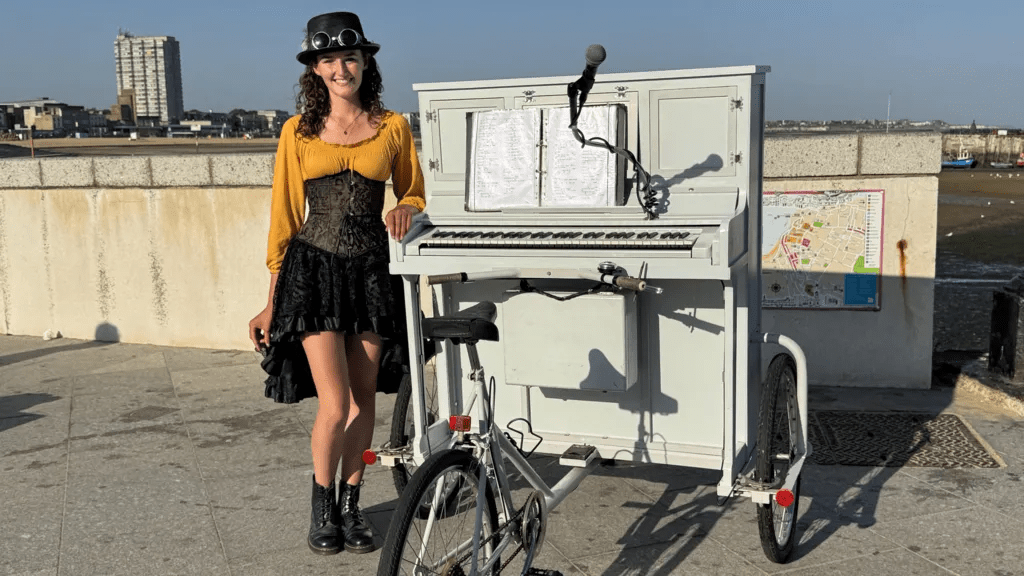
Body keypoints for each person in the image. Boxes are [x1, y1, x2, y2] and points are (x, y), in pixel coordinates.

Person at [247, 11, 424, 556]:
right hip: (314, 273)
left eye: (349, 58)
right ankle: (322, 508)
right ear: (316, 70)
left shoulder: (393, 126)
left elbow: (414, 192)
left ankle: (352, 504)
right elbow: (284, 217)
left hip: (371, 272)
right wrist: (270, 303)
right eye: (329, 61)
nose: (340, 68)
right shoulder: (297, 131)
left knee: (364, 397)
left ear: (365, 62)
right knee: (335, 402)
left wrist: (406, 209)